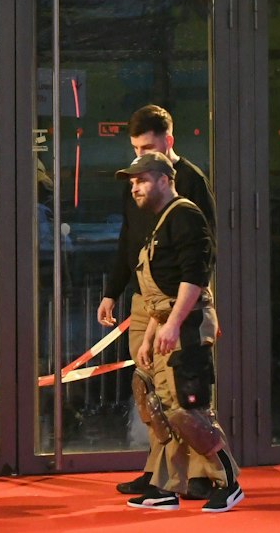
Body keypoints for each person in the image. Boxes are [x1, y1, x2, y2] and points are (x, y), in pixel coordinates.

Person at [98, 104, 219, 499]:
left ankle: (204, 473)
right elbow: (128, 241)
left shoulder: (190, 184)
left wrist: (194, 309)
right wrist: (111, 291)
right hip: (146, 299)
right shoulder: (136, 181)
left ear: (169, 141)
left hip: (178, 300)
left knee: (187, 387)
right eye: (134, 147)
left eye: (147, 146)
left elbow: (202, 255)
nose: (138, 155)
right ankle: (160, 473)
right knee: (151, 389)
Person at [115, 150, 244, 513]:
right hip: (169, 323)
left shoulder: (185, 216)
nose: (135, 188)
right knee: (156, 400)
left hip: (186, 326)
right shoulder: (161, 220)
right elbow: (165, 286)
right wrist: (154, 330)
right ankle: (165, 485)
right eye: (133, 182)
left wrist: (171, 325)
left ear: (164, 179)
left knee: (189, 409)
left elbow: (194, 278)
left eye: (141, 180)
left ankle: (228, 481)